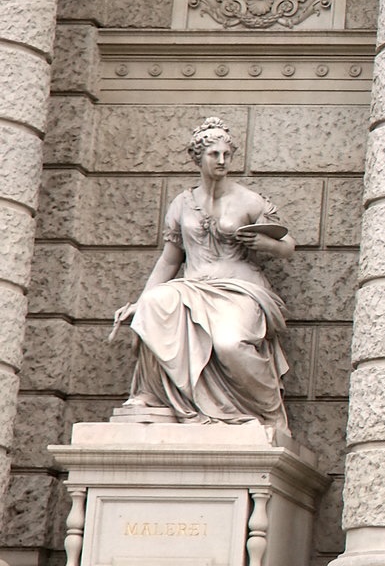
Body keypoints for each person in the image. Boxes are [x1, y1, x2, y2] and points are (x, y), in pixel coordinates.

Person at [109, 116, 295, 435]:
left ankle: (267, 412)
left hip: (240, 289)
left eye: (227, 154)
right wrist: (139, 302)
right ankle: (151, 396)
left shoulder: (249, 200)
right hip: (192, 286)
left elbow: (288, 246)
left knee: (229, 343)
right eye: (214, 154)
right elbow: (169, 261)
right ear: (198, 157)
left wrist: (264, 243)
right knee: (154, 304)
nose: (222, 161)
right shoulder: (182, 203)